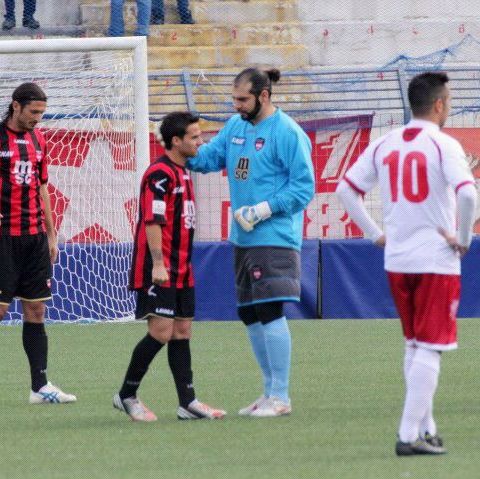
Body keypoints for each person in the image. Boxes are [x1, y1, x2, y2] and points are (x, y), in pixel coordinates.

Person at [336, 72, 477, 456]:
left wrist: (373, 233)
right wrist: (462, 240)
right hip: (436, 260)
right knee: (430, 348)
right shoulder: (443, 145)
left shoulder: (385, 143)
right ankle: (407, 434)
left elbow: (345, 190)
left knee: (415, 345)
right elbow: (468, 196)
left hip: (397, 259)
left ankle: (427, 428)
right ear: (439, 105)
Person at [187, 68, 315, 418]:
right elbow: (209, 159)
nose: (237, 105)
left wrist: (263, 209)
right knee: (249, 313)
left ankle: (281, 396)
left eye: (242, 99)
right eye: (234, 99)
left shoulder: (287, 132)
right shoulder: (235, 127)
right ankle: (268, 391)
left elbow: (304, 187)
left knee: (270, 308)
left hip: (274, 236)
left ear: (263, 96)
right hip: (242, 238)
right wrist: (176, 144)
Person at [113, 111, 226, 422]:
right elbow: (153, 220)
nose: (200, 141)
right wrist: (159, 264)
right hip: (158, 267)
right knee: (161, 332)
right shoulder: (159, 174)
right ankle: (126, 395)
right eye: (193, 137)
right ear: (176, 141)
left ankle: (187, 403)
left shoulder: (184, 170)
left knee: (182, 331)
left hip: (183, 267)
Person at [0, 83, 76, 404]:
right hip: (4, 238)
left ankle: (40, 387)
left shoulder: (38, 140)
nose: (38, 119)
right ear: (16, 106)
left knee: (36, 309)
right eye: (34, 112)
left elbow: (43, 188)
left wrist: (51, 233)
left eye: (42, 114)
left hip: (33, 239)